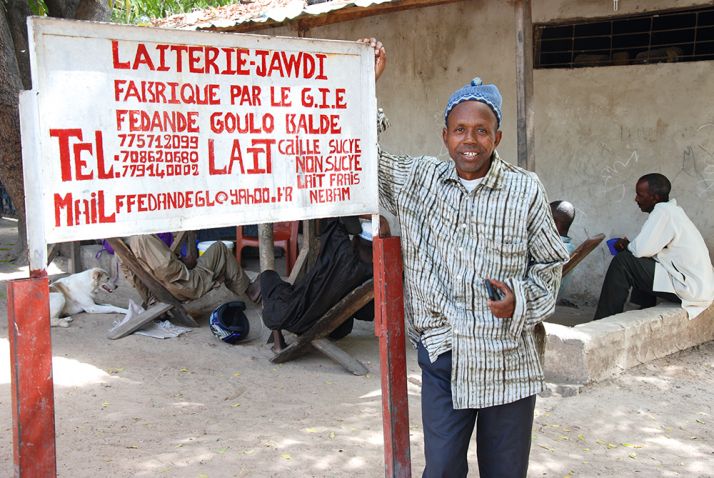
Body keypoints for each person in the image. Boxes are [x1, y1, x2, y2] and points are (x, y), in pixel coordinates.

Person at [361, 38, 569, 478]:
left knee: (505, 471)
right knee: (441, 470)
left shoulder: (525, 188)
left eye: (480, 130)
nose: (469, 140)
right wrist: (367, 82)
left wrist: (521, 301)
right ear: (445, 135)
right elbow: (363, 157)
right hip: (444, 353)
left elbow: (551, 266)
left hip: (507, 356)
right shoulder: (419, 180)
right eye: (459, 129)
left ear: (497, 136)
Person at [593, 173, 714, 320]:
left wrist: (627, 247)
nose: (636, 199)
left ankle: (603, 319)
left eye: (640, 195)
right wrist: (630, 246)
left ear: (655, 198)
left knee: (623, 261)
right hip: (699, 287)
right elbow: (647, 249)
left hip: (691, 288)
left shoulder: (663, 211)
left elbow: (640, 250)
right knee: (639, 260)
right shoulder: (672, 211)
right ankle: (644, 309)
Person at [260, 216, 386, 351]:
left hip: (299, 318)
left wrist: (359, 213)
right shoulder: (373, 274)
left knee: (268, 278)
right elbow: (366, 315)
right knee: (295, 289)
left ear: (355, 240)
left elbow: (334, 221)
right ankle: (256, 290)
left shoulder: (342, 253)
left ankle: (278, 343)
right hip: (334, 326)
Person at [121, 234, 260, 305]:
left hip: (161, 291)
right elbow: (166, 269)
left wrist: (150, 298)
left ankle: (242, 285)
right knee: (220, 249)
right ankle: (250, 290)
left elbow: (133, 279)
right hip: (182, 286)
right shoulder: (142, 239)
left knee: (213, 260)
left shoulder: (123, 245)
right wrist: (185, 263)